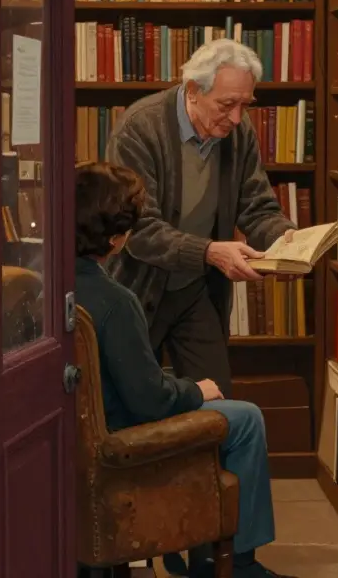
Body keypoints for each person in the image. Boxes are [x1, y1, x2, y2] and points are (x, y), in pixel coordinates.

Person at [73, 162, 291, 578]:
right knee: (244, 418)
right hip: (118, 437)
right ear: (118, 240)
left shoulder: (47, 283)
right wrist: (196, 389)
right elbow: (149, 400)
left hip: (84, 431)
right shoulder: (116, 302)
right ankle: (236, 559)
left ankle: (195, 544)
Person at [106, 39, 296, 398]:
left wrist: (286, 241)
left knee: (218, 401)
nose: (237, 118)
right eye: (227, 105)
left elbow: (257, 207)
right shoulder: (139, 128)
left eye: (245, 105)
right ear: (193, 90)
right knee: (131, 404)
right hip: (139, 287)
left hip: (195, 289)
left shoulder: (237, 132)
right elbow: (139, 229)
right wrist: (210, 252)